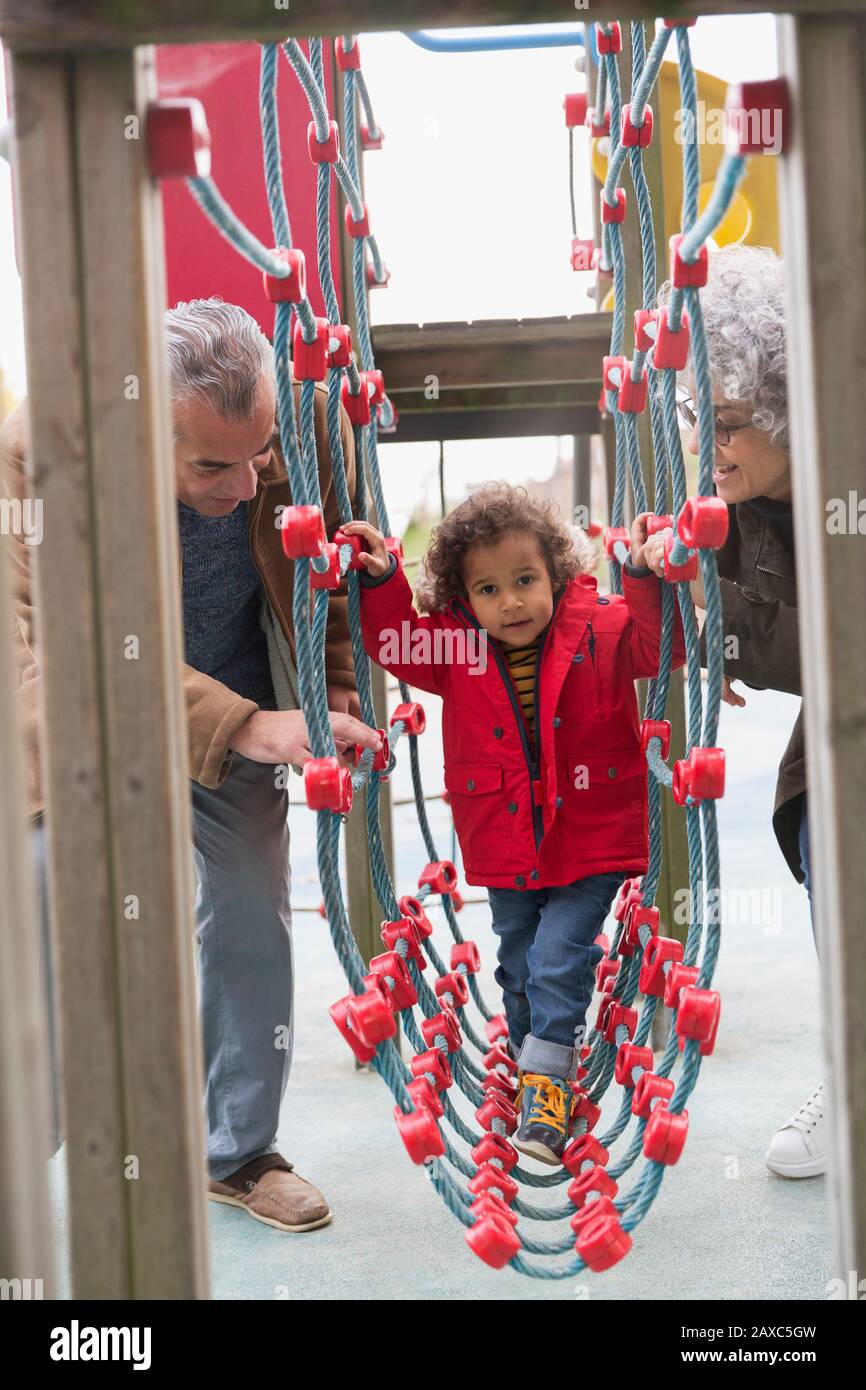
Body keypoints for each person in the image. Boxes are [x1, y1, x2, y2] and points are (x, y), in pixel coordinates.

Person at [2, 297, 382, 1231]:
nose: (248, 483)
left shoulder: (305, 419)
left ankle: (237, 1151)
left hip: (239, 694)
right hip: (81, 712)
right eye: (214, 464)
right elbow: (59, 642)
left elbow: (319, 573)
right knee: (59, 925)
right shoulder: (40, 451)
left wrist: (328, 694)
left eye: (258, 456)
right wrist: (249, 725)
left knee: (252, 907)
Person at [345, 485, 686, 1166]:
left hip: (590, 840)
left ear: (556, 574)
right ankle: (536, 1052)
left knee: (558, 959)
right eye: (489, 589)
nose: (512, 603)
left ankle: (546, 1086)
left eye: (526, 581)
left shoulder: (600, 626)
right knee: (519, 962)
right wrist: (383, 578)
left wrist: (645, 573)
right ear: (462, 599)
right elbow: (393, 642)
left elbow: (661, 647)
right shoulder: (458, 651)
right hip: (506, 842)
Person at [657, 243, 823, 1178]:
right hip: (842, 717)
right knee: (818, 833)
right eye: (698, 418)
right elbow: (672, 603)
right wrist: (698, 636)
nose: (707, 444)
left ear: (786, 411)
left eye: (727, 422)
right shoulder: (727, 514)